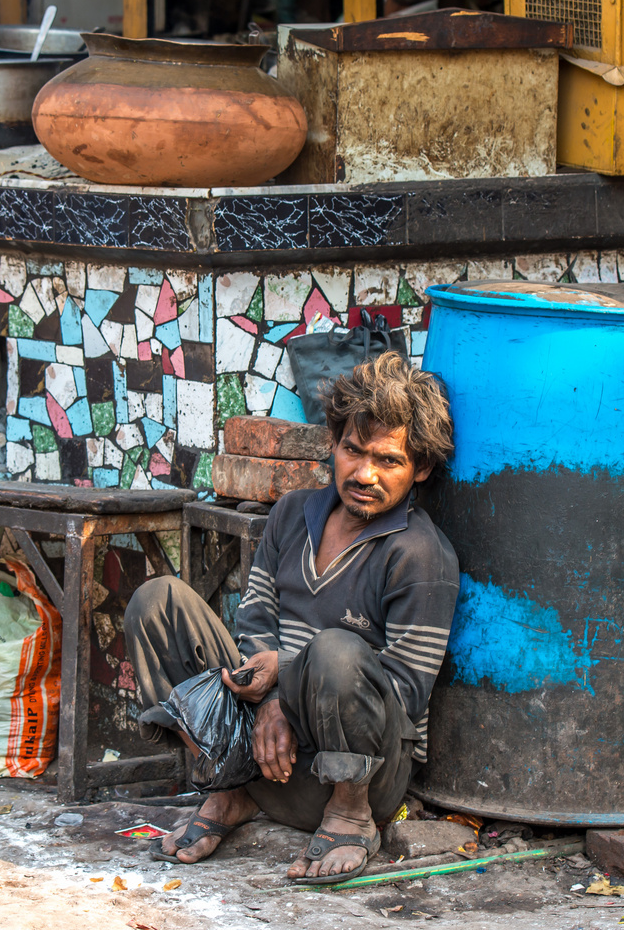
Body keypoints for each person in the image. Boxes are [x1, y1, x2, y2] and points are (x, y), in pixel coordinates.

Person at [123, 352, 459, 883]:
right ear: (333, 442)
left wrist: (290, 675)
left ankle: (351, 822)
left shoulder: (420, 554)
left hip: (358, 778)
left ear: (420, 469)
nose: (364, 473)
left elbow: (404, 693)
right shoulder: (291, 513)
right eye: (353, 450)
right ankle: (228, 790)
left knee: (336, 650)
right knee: (158, 601)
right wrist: (271, 698)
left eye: (389, 461)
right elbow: (256, 618)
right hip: (264, 756)